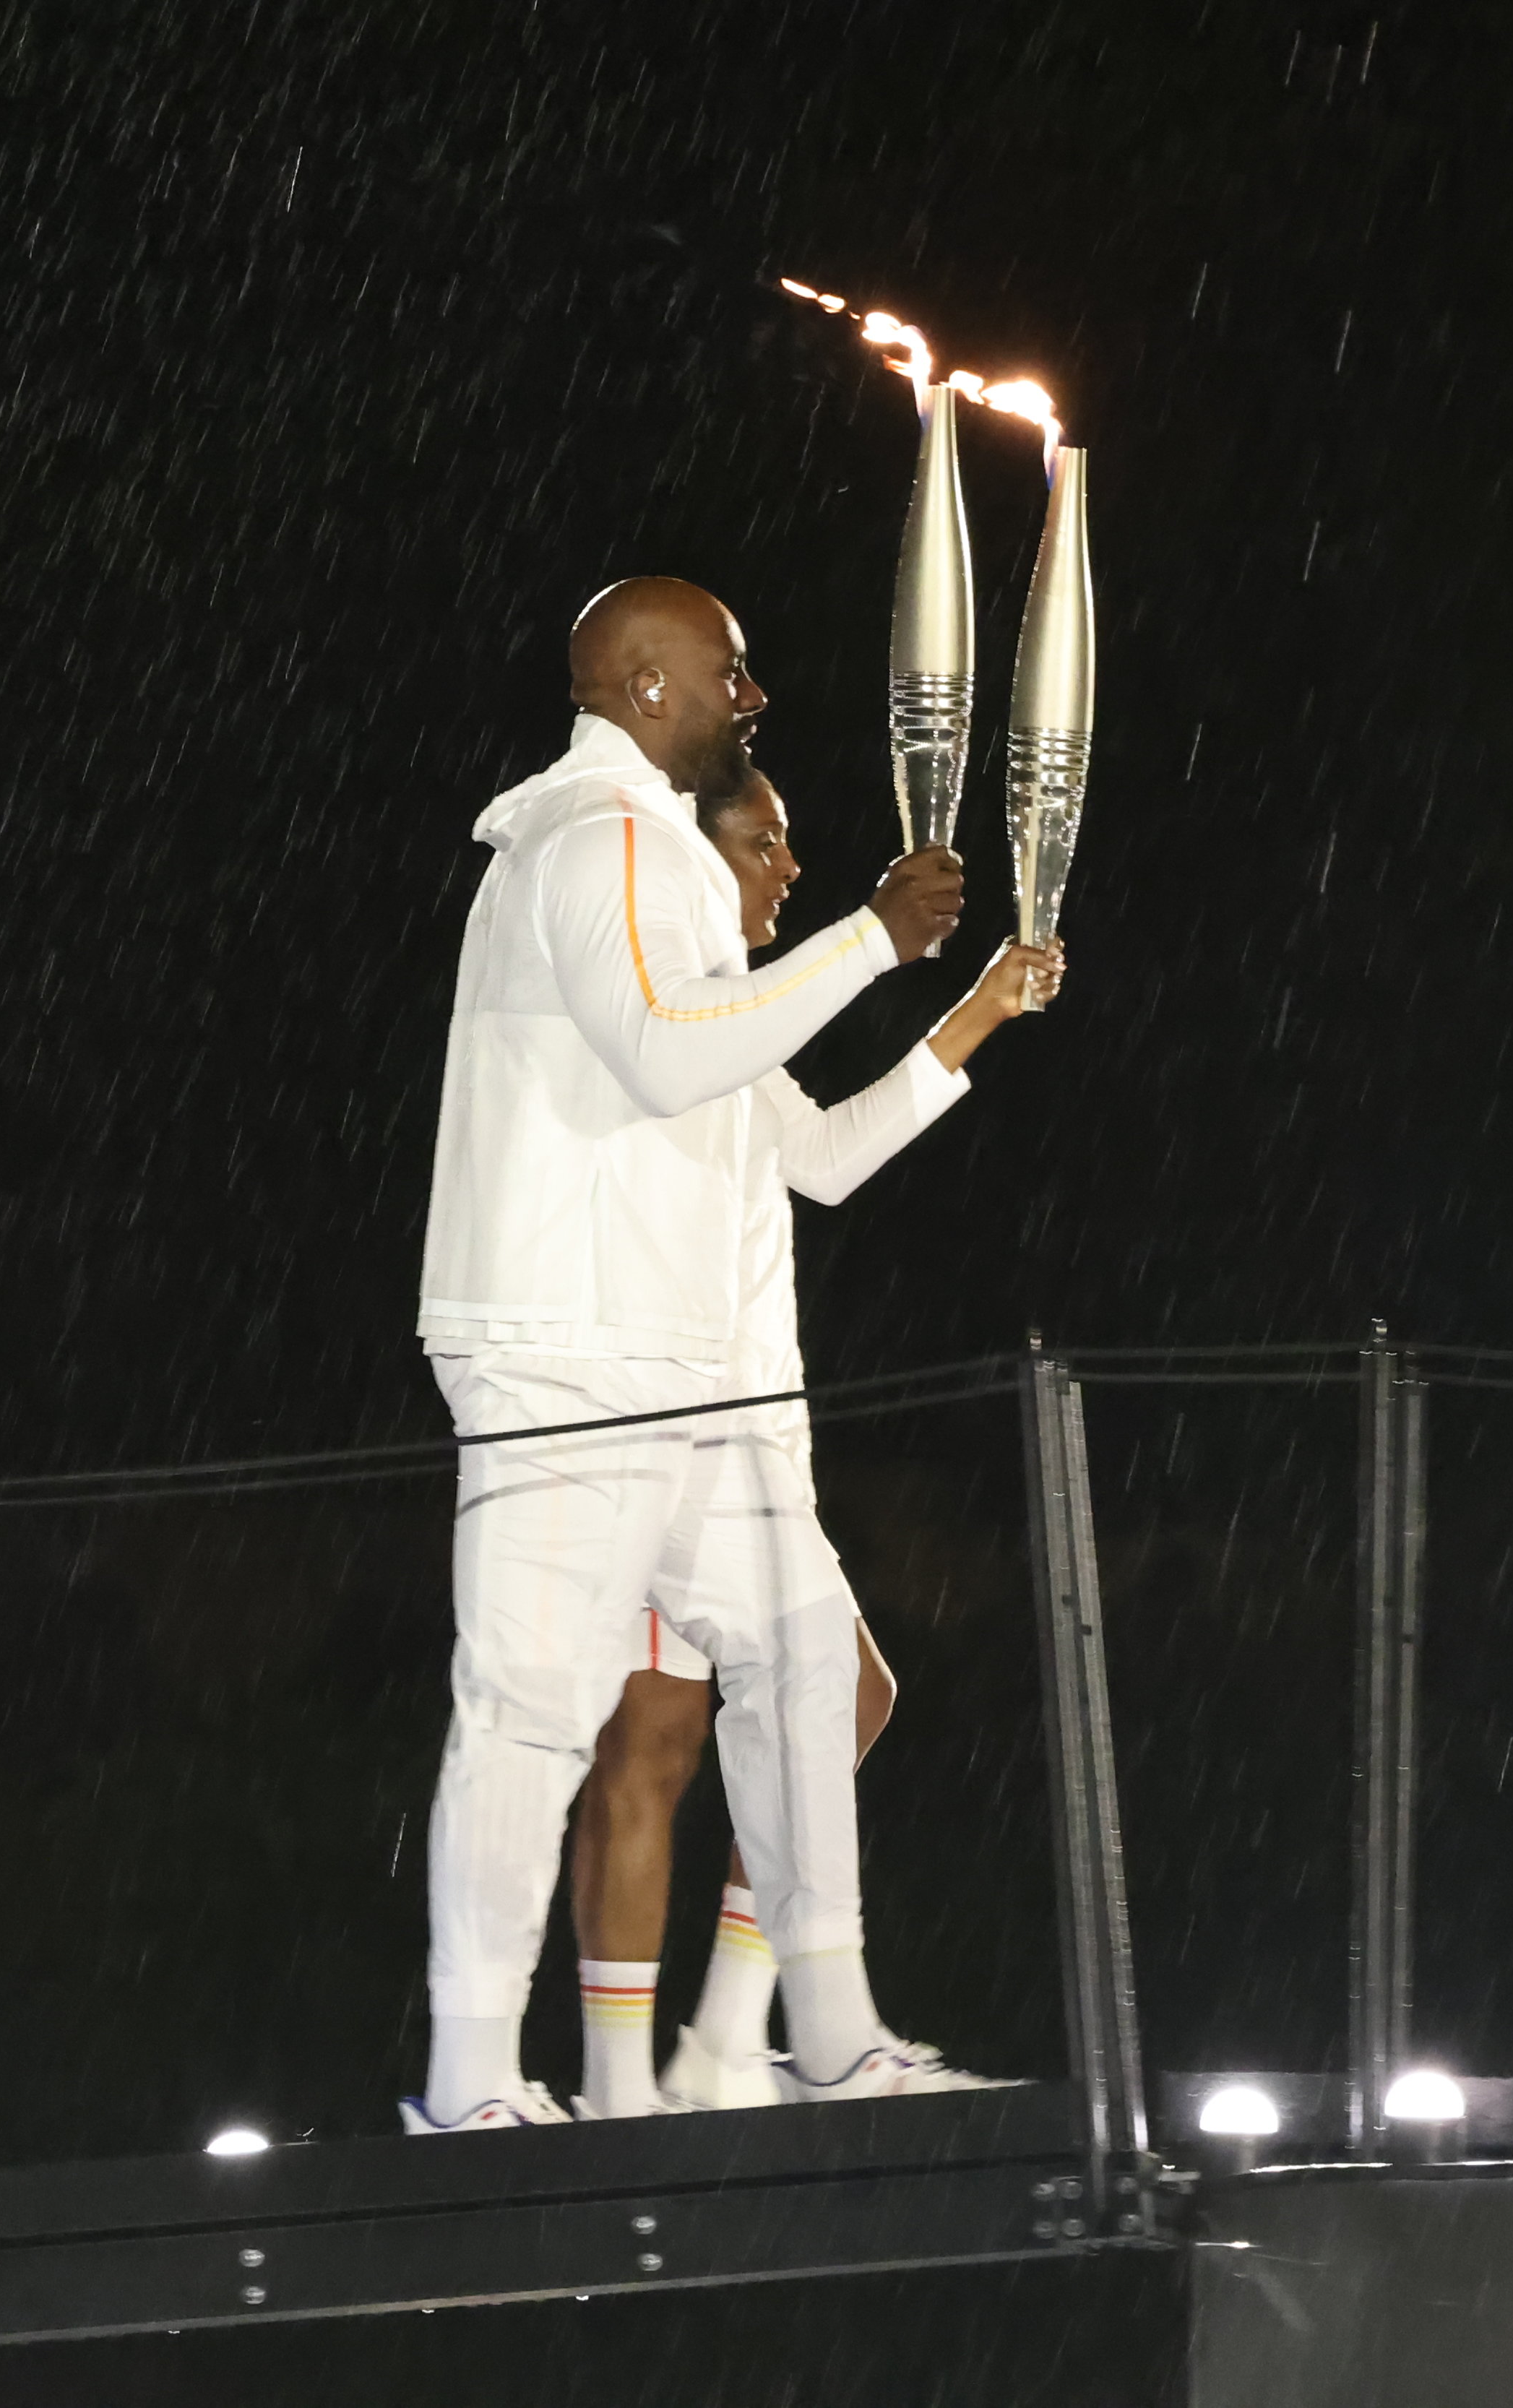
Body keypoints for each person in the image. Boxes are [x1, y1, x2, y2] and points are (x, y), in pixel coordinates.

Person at [405, 577, 971, 2133]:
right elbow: (668, 1054)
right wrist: (870, 937)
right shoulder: (602, 841)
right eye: (733, 667)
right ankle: (468, 2079)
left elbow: (775, 1115)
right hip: (566, 1351)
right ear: (649, 688)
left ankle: (831, 2027)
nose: (755, 692)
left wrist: (937, 996)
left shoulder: (652, 849)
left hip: (679, 1363)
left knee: (802, 1660)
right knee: (528, 1707)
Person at [562, 771, 1060, 2117]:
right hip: (660, 1438)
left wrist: (980, 1012)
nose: (788, 863)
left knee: (837, 1697)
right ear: (686, 859)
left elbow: (830, 1157)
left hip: (753, 1445)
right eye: (764, 842)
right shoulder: (642, 1015)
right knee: (656, 1742)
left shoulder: (732, 1036)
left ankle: (724, 2045)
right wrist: (877, 939)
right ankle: (625, 2084)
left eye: (790, 840)